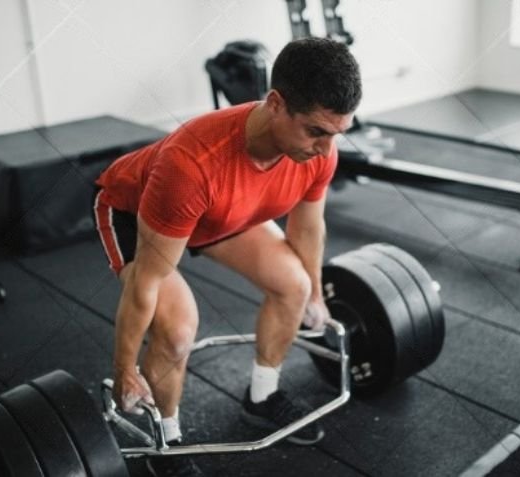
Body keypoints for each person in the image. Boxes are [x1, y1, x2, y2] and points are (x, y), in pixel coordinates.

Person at [92, 37, 361, 476]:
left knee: (294, 285)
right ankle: (170, 446)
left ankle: (262, 394)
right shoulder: (191, 165)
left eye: (337, 134)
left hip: (219, 213)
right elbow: (148, 283)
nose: (327, 150)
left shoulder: (316, 151)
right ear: (275, 104)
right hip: (134, 212)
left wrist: (316, 292)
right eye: (316, 131)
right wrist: (124, 367)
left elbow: (308, 226)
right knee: (178, 330)